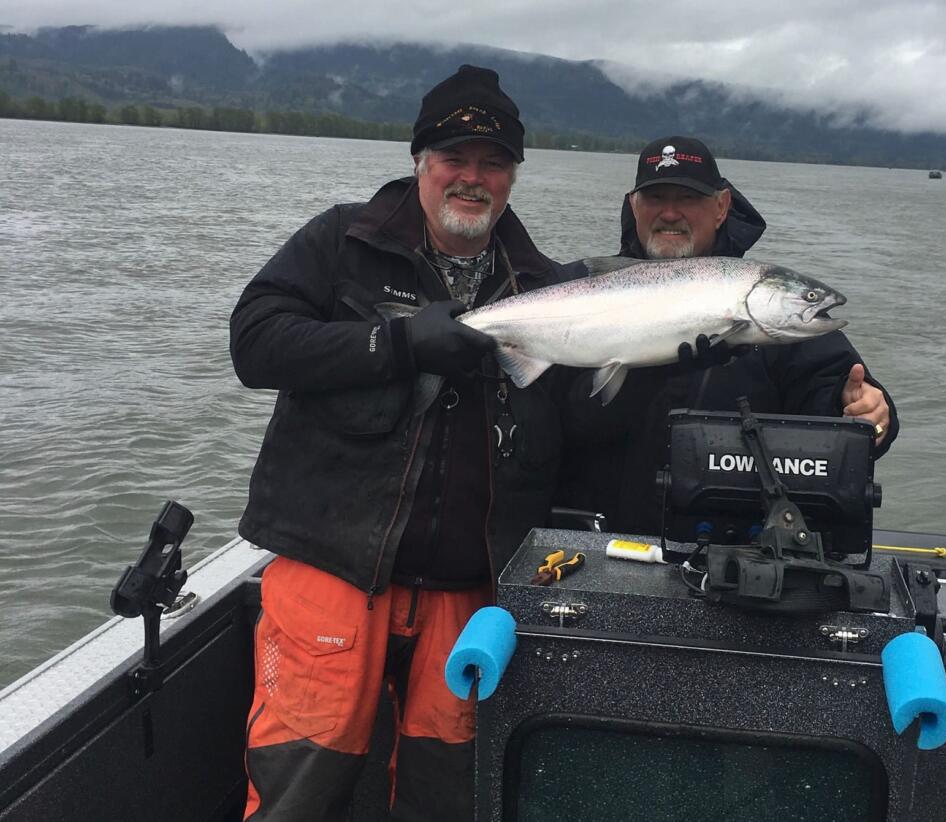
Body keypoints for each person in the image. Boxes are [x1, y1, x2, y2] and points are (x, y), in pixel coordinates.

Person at [230, 65, 562, 821]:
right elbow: (254, 344)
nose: (472, 178)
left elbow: (598, 416)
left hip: (468, 588)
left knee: (448, 797)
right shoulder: (339, 240)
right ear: (419, 161)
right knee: (297, 788)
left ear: (512, 176)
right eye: (454, 157)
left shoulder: (540, 284)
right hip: (332, 567)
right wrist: (399, 343)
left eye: (494, 162)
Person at [558, 135, 899, 535]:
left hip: (729, 555)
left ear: (721, 207)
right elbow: (541, 418)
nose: (670, 213)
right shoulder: (577, 292)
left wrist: (869, 413)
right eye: (655, 198)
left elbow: (837, 396)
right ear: (634, 206)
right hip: (600, 544)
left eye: (687, 198)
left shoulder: (770, 306)